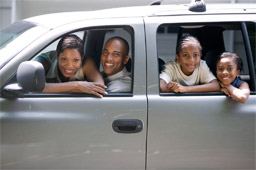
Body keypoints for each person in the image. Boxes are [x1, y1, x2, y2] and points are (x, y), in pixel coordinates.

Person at [35, 34, 107, 98]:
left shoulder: (86, 63)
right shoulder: (44, 61)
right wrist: (78, 86)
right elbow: (35, 86)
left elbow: (100, 87)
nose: (69, 66)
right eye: (64, 59)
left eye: (75, 60)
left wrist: (52, 88)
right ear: (57, 55)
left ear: (81, 58)